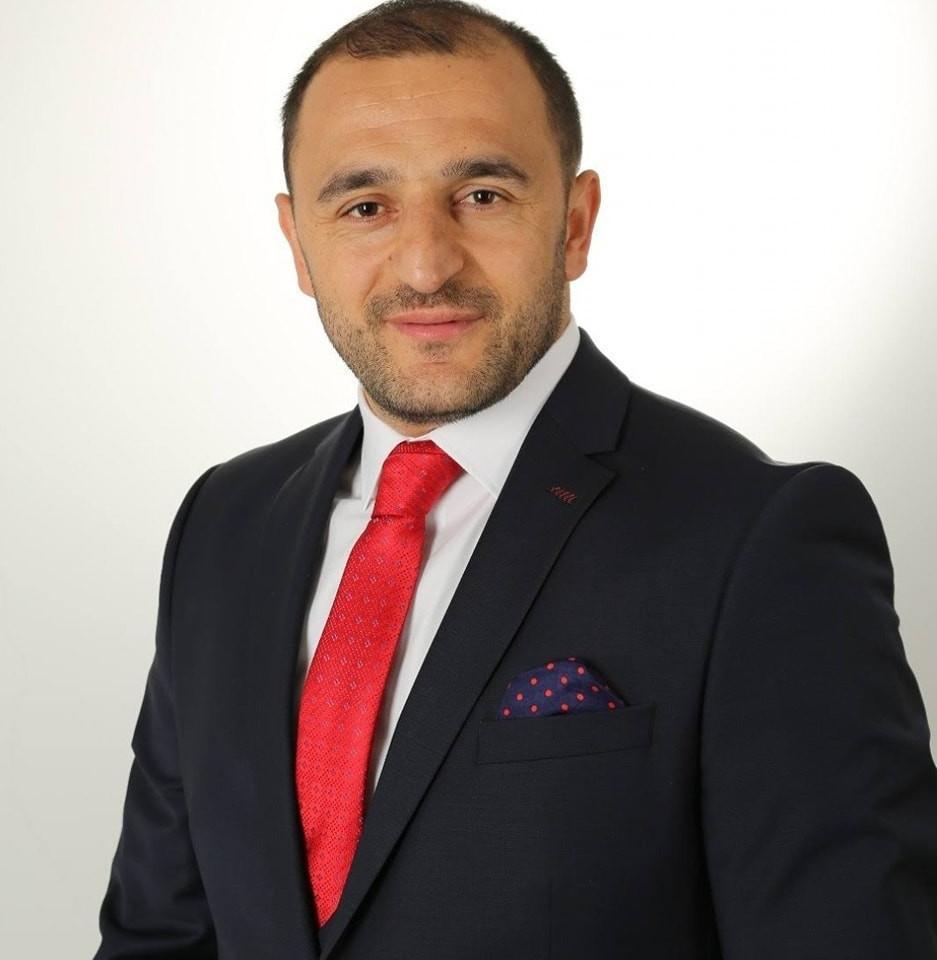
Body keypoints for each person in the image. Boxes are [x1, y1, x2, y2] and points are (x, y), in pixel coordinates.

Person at [92, 1, 937, 957]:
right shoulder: (225, 524)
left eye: (483, 195)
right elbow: (159, 936)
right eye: (365, 207)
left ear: (574, 223)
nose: (425, 266)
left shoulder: (760, 538)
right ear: (297, 243)